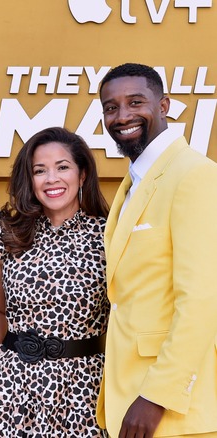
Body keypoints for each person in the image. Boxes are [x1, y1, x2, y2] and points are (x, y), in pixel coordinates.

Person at [96, 63, 217, 437]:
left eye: (136, 102)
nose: (123, 116)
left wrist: (156, 396)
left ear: (163, 105)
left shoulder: (194, 175)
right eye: (111, 107)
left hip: (173, 410)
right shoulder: (134, 182)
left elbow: (201, 299)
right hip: (128, 396)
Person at [0, 127, 110, 437]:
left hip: (84, 388)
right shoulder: (10, 233)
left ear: (82, 175)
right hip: (11, 387)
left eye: (62, 167)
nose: (51, 179)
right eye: (39, 171)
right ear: (30, 180)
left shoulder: (108, 235)